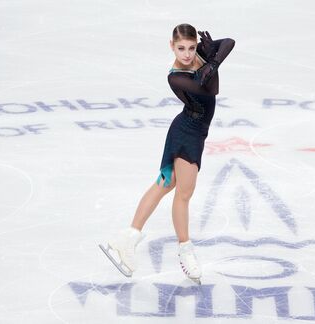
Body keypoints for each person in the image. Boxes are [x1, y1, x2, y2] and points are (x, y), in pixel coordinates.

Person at [99, 23, 235, 284]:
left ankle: (126, 238)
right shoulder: (176, 77)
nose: (187, 54)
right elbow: (208, 87)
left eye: (191, 48)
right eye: (181, 48)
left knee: (165, 183)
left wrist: (211, 54)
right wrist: (212, 59)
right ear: (172, 46)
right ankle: (186, 251)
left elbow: (229, 42)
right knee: (183, 193)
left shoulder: (200, 59)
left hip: (191, 130)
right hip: (187, 134)